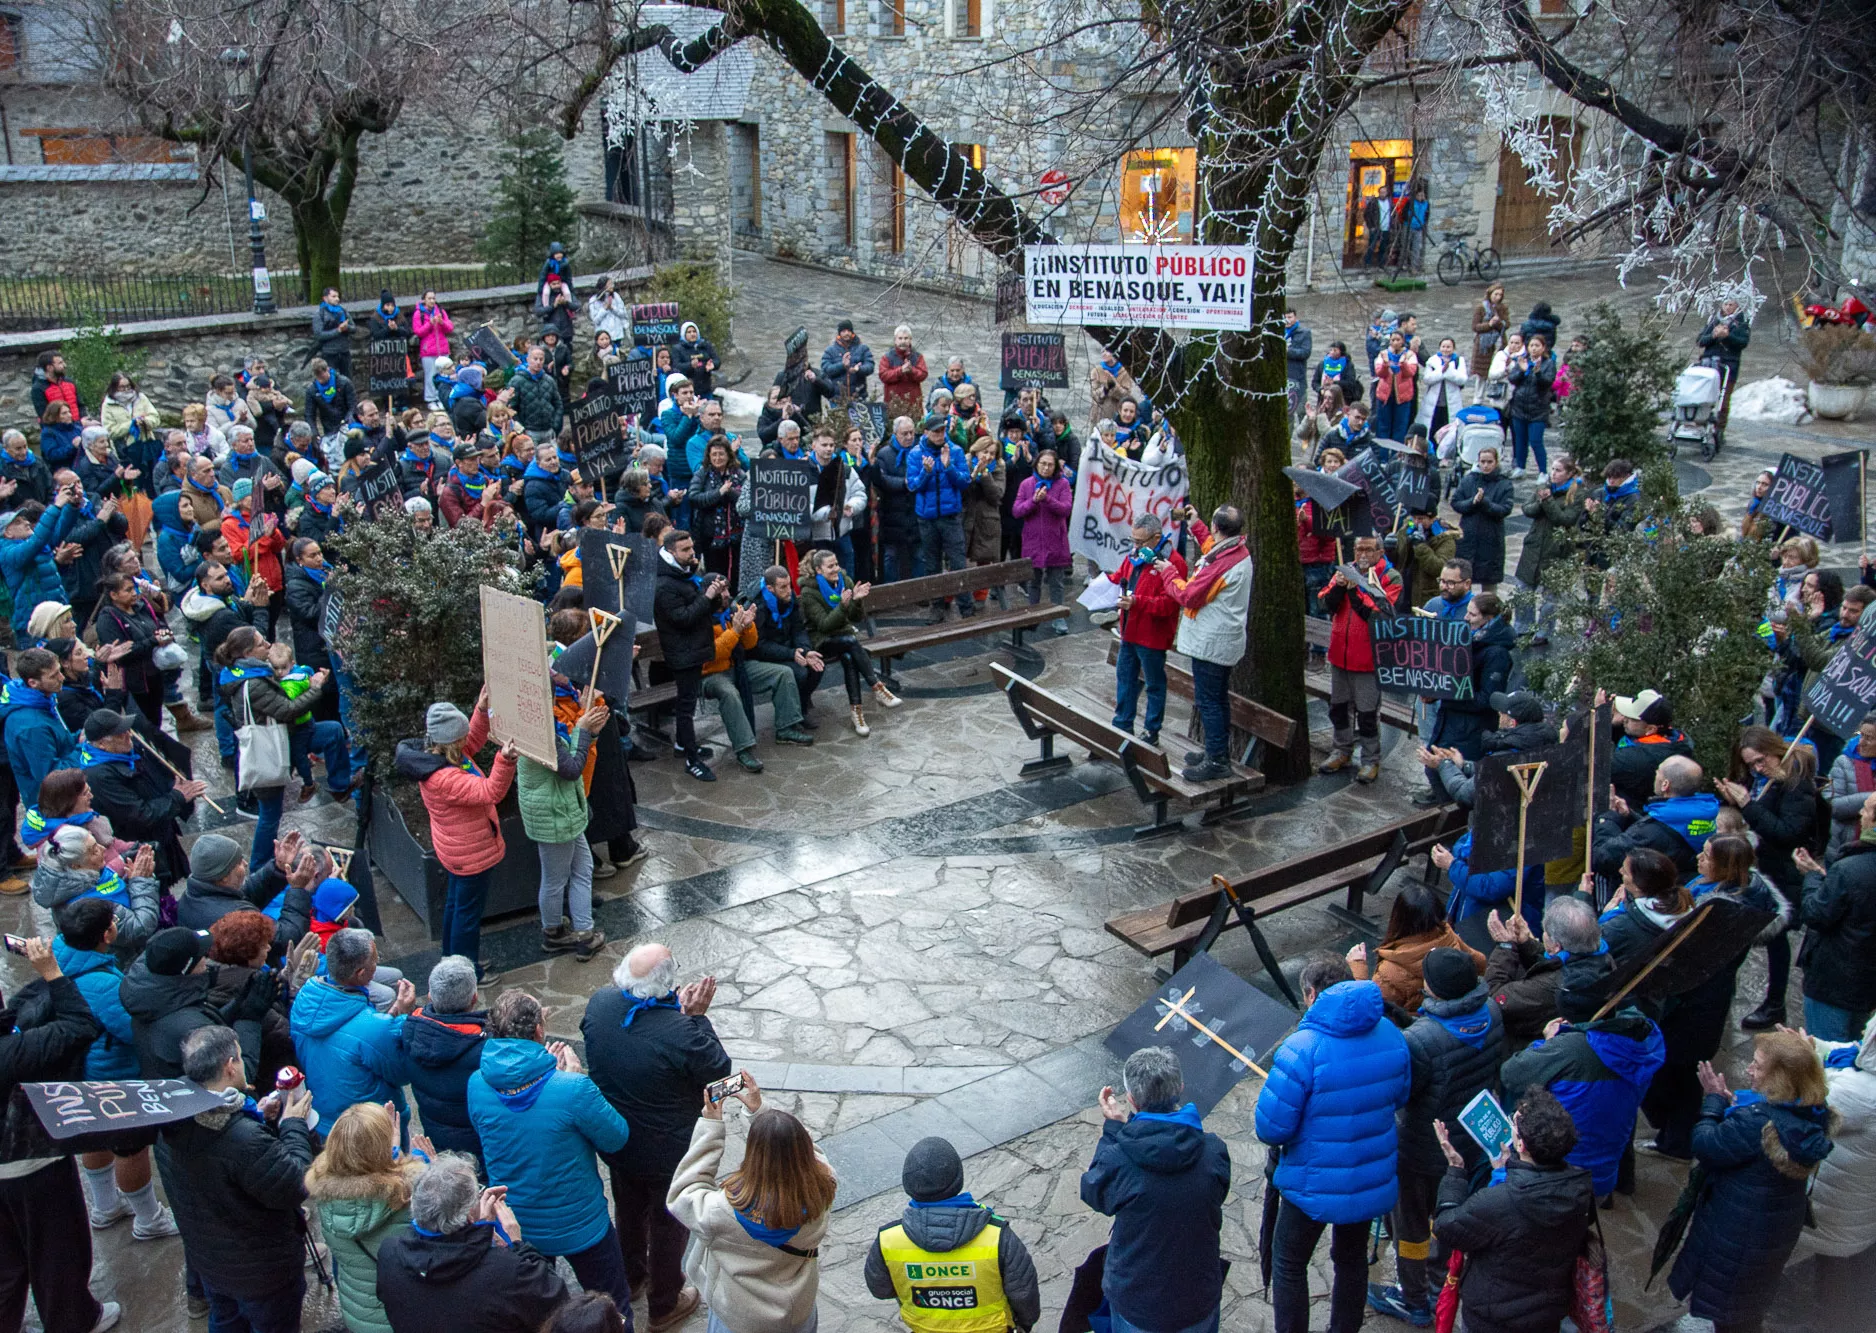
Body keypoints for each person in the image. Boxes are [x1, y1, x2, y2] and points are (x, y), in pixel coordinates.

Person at [1256, 953, 1411, 1333]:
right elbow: (1401, 1095)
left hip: (1310, 1181)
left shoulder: (1301, 1048)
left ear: (1311, 994)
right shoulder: (1391, 1033)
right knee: (1351, 1259)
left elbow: (1272, 1128)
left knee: (1289, 1262)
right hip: (1368, 1175)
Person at [582, 945, 731, 1332]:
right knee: (668, 1224)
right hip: (668, 1153)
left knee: (629, 1211)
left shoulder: (600, 1006)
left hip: (617, 1139)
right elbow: (717, 1069)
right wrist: (696, 1018)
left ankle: (631, 1278)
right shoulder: (681, 1033)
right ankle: (664, 1304)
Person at [1370, 942, 1509, 1325]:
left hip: (1421, 1151)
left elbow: (1402, 1093)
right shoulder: (1491, 1012)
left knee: (1412, 1228)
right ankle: (1441, 1285)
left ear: (1436, 988)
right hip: (1468, 1144)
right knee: (1447, 1216)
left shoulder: (1422, 1041)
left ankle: (1414, 1298)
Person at [469, 989, 633, 1308]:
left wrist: (552, 1077)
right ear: (539, 1031)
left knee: (541, 1310)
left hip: (518, 1223)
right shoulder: (573, 1089)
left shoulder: (476, 1083)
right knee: (612, 1306)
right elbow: (617, 1137)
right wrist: (572, 1079)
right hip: (581, 1225)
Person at [1669, 1032, 1832, 1332]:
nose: (1749, 1069)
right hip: (1772, 1229)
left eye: (1757, 1065)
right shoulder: (1811, 1110)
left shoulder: (1755, 1124)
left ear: (1780, 1078)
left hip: (1738, 1231)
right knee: (1748, 1304)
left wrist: (1714, 1103)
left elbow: (1706, 1144)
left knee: (1731, 1314)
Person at [161, 1023, 316, 1333]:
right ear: (230, 1066)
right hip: (262, 1274)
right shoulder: (243, 1140)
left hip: (211, 1260)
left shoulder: (171, 1116)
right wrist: (293, 1124)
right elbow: (296, 1183)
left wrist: (254, 1114)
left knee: (225, 1322)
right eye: (241, 1056)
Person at [0, 934, 119, 1333]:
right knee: (58, 1250)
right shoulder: (11, 1053)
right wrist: (51, 973)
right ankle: (74, 1321)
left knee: (6, 1262)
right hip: (30, 1162)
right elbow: (80, 1026)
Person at [667, 1071, 835, 1333]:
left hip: (740, 1319)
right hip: (798, 1312)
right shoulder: (824, 1188)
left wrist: (711, 1127)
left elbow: (683, 1193)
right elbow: (813, 1156)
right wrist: (761, 1111)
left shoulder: (722, 1212)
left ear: (754, 1156)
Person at [1422, 1088, 1596, 1333]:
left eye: (1513, 1122)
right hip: (1546, 1316)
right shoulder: (1579, 1188)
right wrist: (1502, 1172)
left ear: (1521, 1144)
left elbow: (1445, 1227)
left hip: (1492, 1319)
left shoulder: (1499, 1202)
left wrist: (1455, 1172)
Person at [1500, 980, 1664, 1203]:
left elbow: (1511, 1074)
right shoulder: (1641, 1041)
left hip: (1559, 1175)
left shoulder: (1570, 1049)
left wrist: (1548, 1042)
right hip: (1604, 1174)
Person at [393, 691, 518, 976]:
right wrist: (505, 760)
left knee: (456, 905)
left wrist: (481, 711)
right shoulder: (445, 778)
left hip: (457, 850)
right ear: (451, 741)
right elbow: (490, 791)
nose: (466, 742)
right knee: (467, 914)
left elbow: (471, 740)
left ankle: (451, 959)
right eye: (460, 737)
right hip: (470, 854)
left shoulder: (438, 757)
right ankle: (465, 971)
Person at [376, 1151, 570, 1332]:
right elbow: (557, 1301)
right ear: (469, 1215)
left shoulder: (390, 1252)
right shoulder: (508, 1271)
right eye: (478, 1193)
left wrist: (479, 1234)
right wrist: (517, 1244)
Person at [867, 1135, 1041, 1333]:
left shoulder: (888, 1239)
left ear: (908, 1184)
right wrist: (1024, 1324)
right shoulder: (998, 1237)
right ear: (957, 1180)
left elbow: (880, 1289)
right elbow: (1024, 1296)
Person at [1721, 724, 1821, 1029]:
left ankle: (1774, 1003)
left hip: (1783, 874)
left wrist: (1748, 806)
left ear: (1775, 750)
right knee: (1763, 936)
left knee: (1773, 937)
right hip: (1769, 869)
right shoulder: (1774, 780)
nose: (1758, 768)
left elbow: (1787, 832)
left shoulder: (1796, 784)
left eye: (1761, 761)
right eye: (1752, 764)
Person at [305, 1101, 425, 1333]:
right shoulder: (405, 1201)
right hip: (399, 1316)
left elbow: (365, 1184)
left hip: (358, 1312)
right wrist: (416, 1164)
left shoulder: (325, 1195)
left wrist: (391, 1156)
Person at [1156, 505, 1251, 783]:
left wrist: (1168, 572)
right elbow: (1213, 548)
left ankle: (1217, 759)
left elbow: (1189, 595)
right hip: (1220, 641)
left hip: (1211, 643)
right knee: (1217, 699)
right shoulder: (1236, 551)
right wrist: (1196, 525)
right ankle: (1215, 750)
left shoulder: (1223, 565)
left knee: (1210, 702)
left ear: (1217, 527)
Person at [290, 927, 418, 1126]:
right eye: (375, 960)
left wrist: (393, 1013)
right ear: (361, 974)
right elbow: (402, 1073)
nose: (377, 964)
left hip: (324, 1118)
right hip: (370, 1125)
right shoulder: (373, 1027)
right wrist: (402, 1017)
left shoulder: (302, 1002)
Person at [517, 687, 609, 957]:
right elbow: (571, 768)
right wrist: (583, 729)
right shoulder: (542, 733)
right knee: (558, 879)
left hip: (560, 814)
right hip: (557, 816)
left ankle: (564, 931)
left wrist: (587, 729)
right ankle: (578, 935)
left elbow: (569, 754)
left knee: (580, 868)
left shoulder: (527, 724)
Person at [1317, 534, 1400, 784]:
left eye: (1368, 550)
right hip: (1340, 654)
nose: (1362, 554)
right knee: (1339, 708)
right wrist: (1340, 587)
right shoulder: (1344, 571)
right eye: (1358, 549)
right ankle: (1341, 750)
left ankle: (1370, 759)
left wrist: (1355, 593)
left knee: (1367, 713)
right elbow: (1324, 604)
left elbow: (1379, 616)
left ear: (1380, 552)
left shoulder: (1390, 577)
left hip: (1368, 659)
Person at [1792, 797, 1876, 1040]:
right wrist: (1824, 878)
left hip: (1835, 981)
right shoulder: (1851, 868)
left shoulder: (1850, 868)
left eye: (1866, 809)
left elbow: (1816, 914)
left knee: (1826, 1052)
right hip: (1867, 985)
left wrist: (1811, 877)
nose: (1860, 814)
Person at [1481, 895, 1608, 1049]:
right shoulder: (1601, 956)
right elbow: (1555, 963)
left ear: (1556, 946)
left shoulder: (1551, 985)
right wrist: (1526, 944)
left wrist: (1505, 947)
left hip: (1528, 1044)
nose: (1543, 935)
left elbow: (1494, 1000)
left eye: (1546, 932)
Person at [653, 528, 730, 780]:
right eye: (685, 550)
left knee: (688, 702)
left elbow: (700, 607)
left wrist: (714, 595)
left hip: (694, 649)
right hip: (682, 653)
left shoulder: (683, 573)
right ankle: (691, 760)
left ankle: (682, 744)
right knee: (685, 708)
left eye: (692, 548)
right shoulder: (664, 585)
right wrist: (707, 596)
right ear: (670, 551)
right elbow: (683, 618)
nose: (691, 553)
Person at [800, 547, 901, 736]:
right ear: (819, 570)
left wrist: (857, 601)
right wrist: (843, 605)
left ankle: (857, 714)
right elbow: (824, 625)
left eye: (836, 564)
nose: (836, 569)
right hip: (821, 641)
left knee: (849, 656)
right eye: (830, 566)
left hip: (844, 637)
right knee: (851, 642)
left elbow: (855, 618)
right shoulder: (809, 592)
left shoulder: (844, 581)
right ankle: (877, 687)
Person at [1108, 514, 1187, 745]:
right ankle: (1122, 725)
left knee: (1154, 684)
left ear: (1156, 537)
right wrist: (1103, 584)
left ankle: (1152, 731)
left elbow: (1169, 604)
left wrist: (1137, 602)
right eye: (1133, 540)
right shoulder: (1135, 555)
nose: (1135, 546)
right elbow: (1119, 576)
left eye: (1140, 542)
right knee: (1125, 679)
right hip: (1129, 631)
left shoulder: (1174, 563)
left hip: (1152, 636)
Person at [404, 955, 489, 1162]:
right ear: (474, 998)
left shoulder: (410, 1032)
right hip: (478, 1146)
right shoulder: (485, 1049)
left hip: (436, 1141)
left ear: (430, 996)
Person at [2, 646, 83, 807]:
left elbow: (58, 744)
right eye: (53, 676)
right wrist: (84, 748)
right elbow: (52, 776)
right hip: (56, 806)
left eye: (59, 671)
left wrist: (78, 737)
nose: (62, 678)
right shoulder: (32, 727)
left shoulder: (40, 701)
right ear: (33, 682)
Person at [752, 564, 827, 723]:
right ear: (770, 589)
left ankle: (801, 706)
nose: (789, 591)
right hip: (765, 654)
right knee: (799, 673)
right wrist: (791, 654)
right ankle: (793, 714)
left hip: (788, 647)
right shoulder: (758, 607)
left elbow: (798, 629)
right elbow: (759, 645)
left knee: (817, 665)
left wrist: (805, 651)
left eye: (789, 585)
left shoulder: (789, 598)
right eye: (783, 587)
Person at [1010, 447, 1073, 627]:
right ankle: (1034, 614)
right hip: (1033, 540)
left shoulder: (1063, 484)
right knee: (1034, 581)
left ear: (1055, 467)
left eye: (1050, 465)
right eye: (1043, 464)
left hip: (1056, 539)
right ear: (1037, 464)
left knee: (1056, 582)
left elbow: (1066, 509)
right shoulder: (1027, 484)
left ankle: (1057, 616)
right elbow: (1017, 511)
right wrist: (1033, 501)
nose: (1046, 468)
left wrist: (1047, 500)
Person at [1451, 445, 1513, 590]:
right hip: (1469, 538)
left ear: (1496, 462)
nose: (1485, 465)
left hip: (1491, 540)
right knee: (1464, 583)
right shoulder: (1468, 480)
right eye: (1483, 462)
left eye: (1489, 462)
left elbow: (1505, 509)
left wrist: (1485, 502)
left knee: (1489, 587)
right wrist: (1472, 502)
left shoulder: (1504, 484)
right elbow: (1456, 502)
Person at [1696, 297, 1751, 440]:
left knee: (1724, 399)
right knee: (1704, 396)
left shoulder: (1742, 324)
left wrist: (1727, 336)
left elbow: (1742, 343)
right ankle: (1700, 423)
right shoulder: (1714, 321)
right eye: (1725, 304)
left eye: (1731, 304)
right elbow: (1700, 341)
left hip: (1729, 366)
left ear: (1737, 306)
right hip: (1709, 364)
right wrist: (1714, 335)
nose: (1727, 307)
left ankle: (1719, 429)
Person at [1504, 333, 1557, 479]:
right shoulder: (1523, 361)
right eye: (1531, 345)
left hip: (1538, 409)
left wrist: (1538, 373)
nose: (1534, 348)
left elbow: (1547, 383)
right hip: (1520, 407)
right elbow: (1512, 379)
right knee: (1520, 440)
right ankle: (1520, 467)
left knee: (1535, 441)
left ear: (1543, 348)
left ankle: (1543, 471)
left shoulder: (1548, 364)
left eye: (1537, 345)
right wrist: (1522, 371)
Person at [820, 318, 875, 403]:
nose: (846, 333)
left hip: (859, 397)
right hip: (837, 398)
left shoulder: (863, 348)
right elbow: (825, 370)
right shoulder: (830, 350)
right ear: (839, 333)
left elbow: (870, 366)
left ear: (852, 332)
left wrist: (859, 369)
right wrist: (842, 366)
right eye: (843, 331)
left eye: (849, 331)